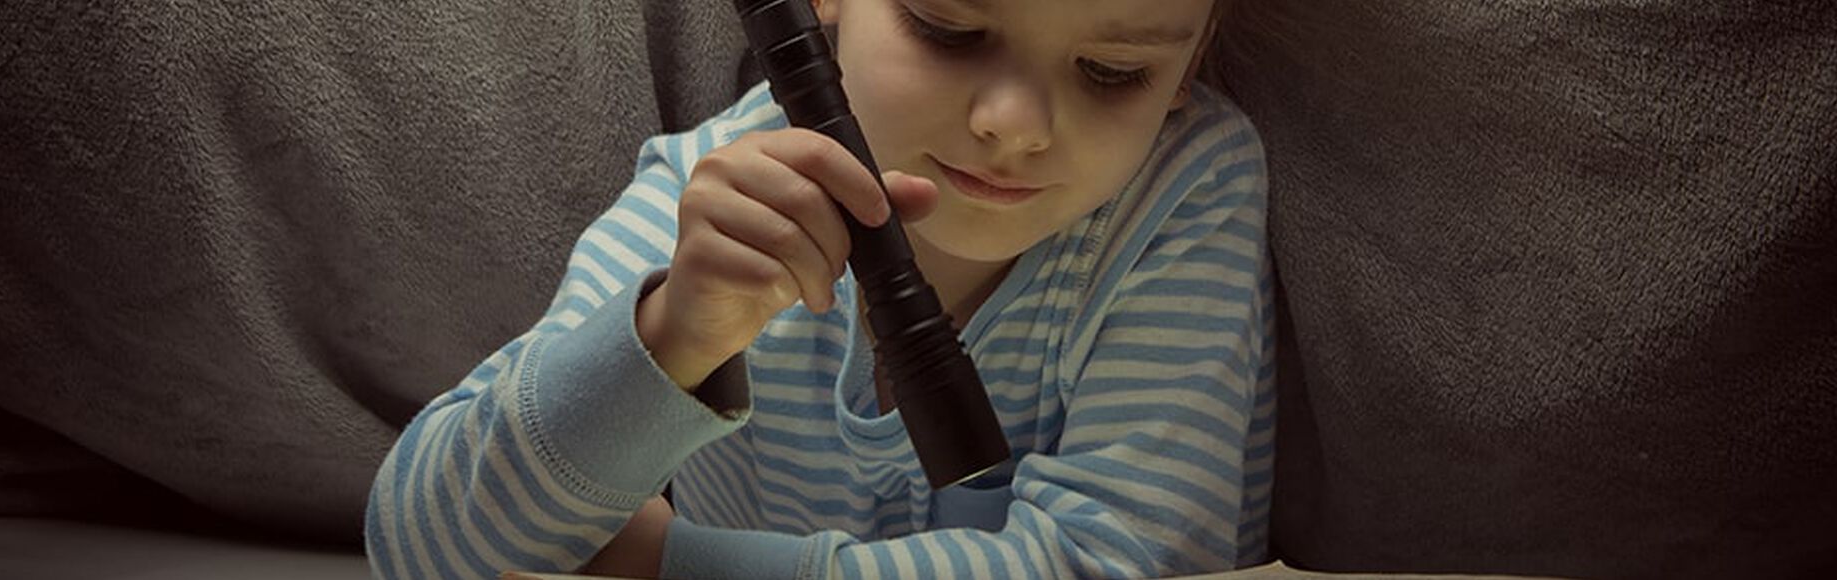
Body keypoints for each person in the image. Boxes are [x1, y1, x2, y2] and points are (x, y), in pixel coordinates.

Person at [366, 0, 1273, 577]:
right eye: (949, 28)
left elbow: (1123, 565)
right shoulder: (711, 198)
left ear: (1189, 63)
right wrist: (675, 335)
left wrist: (669, 565)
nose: (1014, 127)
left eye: (1115, 72)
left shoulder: (1184, 190)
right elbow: (420, 547)